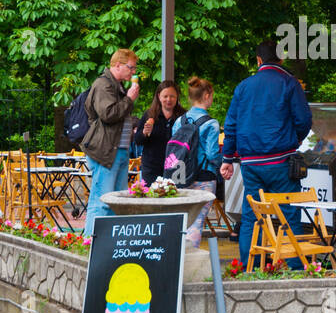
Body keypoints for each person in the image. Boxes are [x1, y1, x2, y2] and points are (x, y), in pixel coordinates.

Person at [220, 41, 313, 269]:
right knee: (288, 215)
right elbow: (304, 120)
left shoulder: (243, 87)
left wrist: (227, 158)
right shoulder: (290, 83)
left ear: (258, 60)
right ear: (281, 59)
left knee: (252, 216)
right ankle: (293, 267)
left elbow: (230, 124)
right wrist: (296, 138)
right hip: (282, 161)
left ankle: (249, 265)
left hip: (251, 164)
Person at [81, 48, 141, 237]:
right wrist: (130, 99)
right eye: (130, 67)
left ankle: (110, 241)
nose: (133, 72)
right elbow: (108, 114)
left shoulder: (117, 86)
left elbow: (119, 115)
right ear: (118, 65)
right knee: (102, 201)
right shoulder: (103, 84)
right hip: (106, 152)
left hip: (120, 150)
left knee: (118, 201)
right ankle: (90, 242)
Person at [173, 77, 221, 248]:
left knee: (180, 221)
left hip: (180, 175)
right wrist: (220, 165)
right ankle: (190, 261)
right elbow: (212, 153)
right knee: (197, 221)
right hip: (204, 177)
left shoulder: (179, 121)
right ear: (207, 95)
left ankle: (176, 258)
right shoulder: (211, 124)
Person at [132, 81, 186, 182]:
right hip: (152, 168)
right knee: (152, 196)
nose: (168, 99)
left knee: (176, 197)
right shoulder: (149, 115)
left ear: (177, 97)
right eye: (165, 96)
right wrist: (144, 132)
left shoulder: (183, 116)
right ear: (158, 96)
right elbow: (137, 141)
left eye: (172, 96)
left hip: (177, 167)